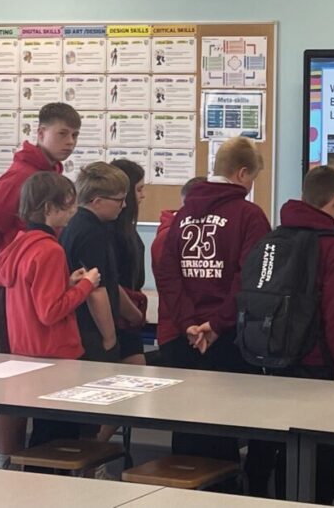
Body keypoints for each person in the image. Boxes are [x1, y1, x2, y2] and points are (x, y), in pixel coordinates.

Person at [0, 101, 80, 469]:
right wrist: (11, 261)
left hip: (36, 283)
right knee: (11, 372)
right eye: (62, 133)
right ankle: (6, 460)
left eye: (74, 135)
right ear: (40, 133)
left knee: (33, 371)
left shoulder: (50, 174)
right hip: (13, 289)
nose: (70, 141)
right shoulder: (20, 176)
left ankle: (25, 458)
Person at [154, 137, 270, 470]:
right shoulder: (249, 215)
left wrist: (187, 324)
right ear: (242, 173)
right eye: (252, 179)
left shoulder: (183, 215)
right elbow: (249, 278)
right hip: (228, 339)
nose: (251, 186)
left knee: (187, 425)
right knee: (224, 427)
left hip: (186, 338)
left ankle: (179, 490)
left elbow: (168, 274)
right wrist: (217, 325)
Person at [246, 165, 334, 503]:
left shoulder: (273, 238)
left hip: (271, 353)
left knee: (276, 437)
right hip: (315, 360)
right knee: (320, 448)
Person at [0, 172, 99, 452]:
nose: (74, 210)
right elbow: (49, 312)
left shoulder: (21, 243)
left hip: (25, 349)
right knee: (57, 438)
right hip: (54, 353)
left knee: (44, 429)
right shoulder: (50, 250)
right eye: (68, 204)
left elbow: (28, 291)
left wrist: (66, 283)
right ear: (49, 207)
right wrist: (86, 285)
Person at [60, 162, 133, 364]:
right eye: (119, 200)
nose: (124, 205)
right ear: (98, 201)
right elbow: (95, 291)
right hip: (91, 330)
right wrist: (110, 338)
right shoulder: (92, 233)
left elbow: (109, 280)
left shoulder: (75, 224)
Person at [152, 176, 205, 365]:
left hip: (198, 328)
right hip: (177, 331)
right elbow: (171, 287)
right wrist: (188, 324)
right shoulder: (169, 237)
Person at [109, 159, 149, 366]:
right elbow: (111, 282)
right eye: (139, 189)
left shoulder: (128, 229)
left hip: (128, 314)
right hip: (120, 317)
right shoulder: (112, 231)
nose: (143, 195)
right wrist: (134, 315)